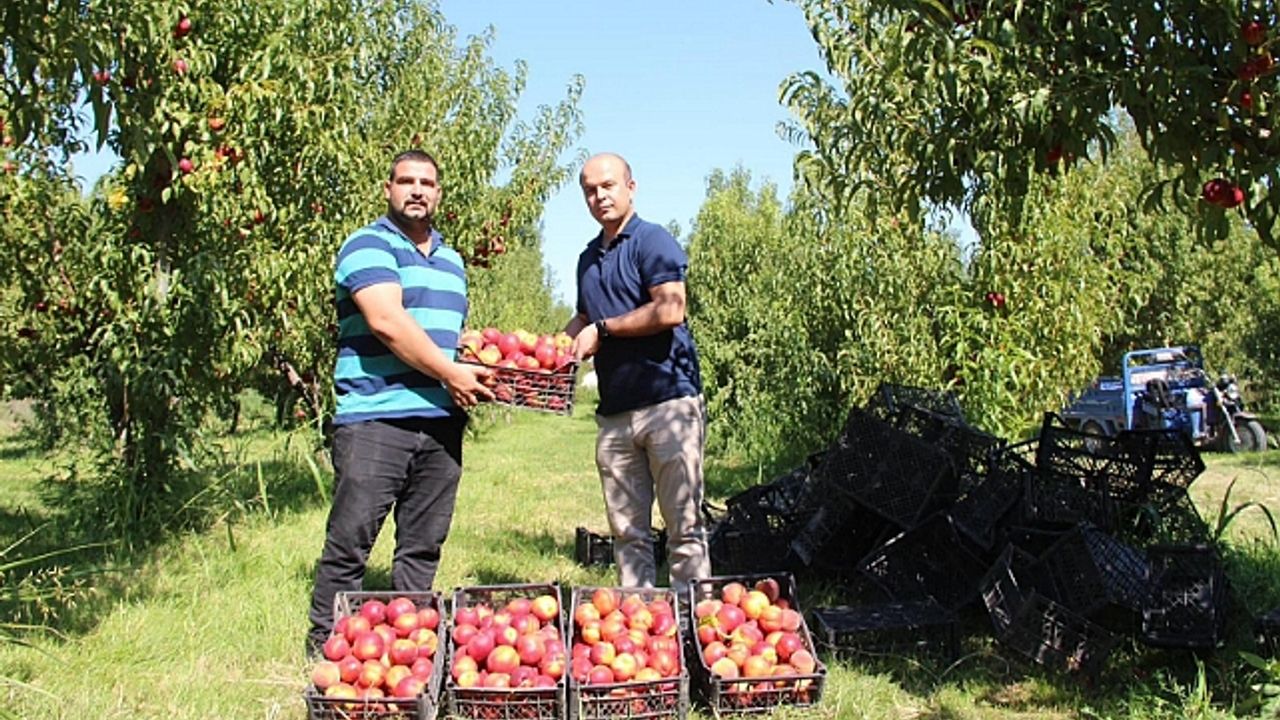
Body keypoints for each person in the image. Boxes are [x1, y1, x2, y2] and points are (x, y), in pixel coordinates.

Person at [306, 149, 494, 655]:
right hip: (375, 417)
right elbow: (388, 322)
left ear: (439, 193)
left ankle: (408, 651)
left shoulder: (453, 261)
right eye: (406, 180)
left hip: (440, 420)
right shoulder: (366, 244)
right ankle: (325, 647)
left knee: (422, 545)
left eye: (427, 182)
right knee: (351, 542)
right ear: (387, 188)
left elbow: (443, 335)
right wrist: (452, 371)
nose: (417, 190)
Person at [566, 152, 711, 596]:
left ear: (631, 187)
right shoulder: (588, 258)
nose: (599, 196)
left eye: (608, 186)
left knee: (683, 525)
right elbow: (583, 317)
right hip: (615, 412)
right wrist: (551, 349)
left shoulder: (653, 241)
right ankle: (640, 622)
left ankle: (692, 623)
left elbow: (671, 308)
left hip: (667, 402)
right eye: (590, 190)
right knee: (627, 531)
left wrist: (603, 331)